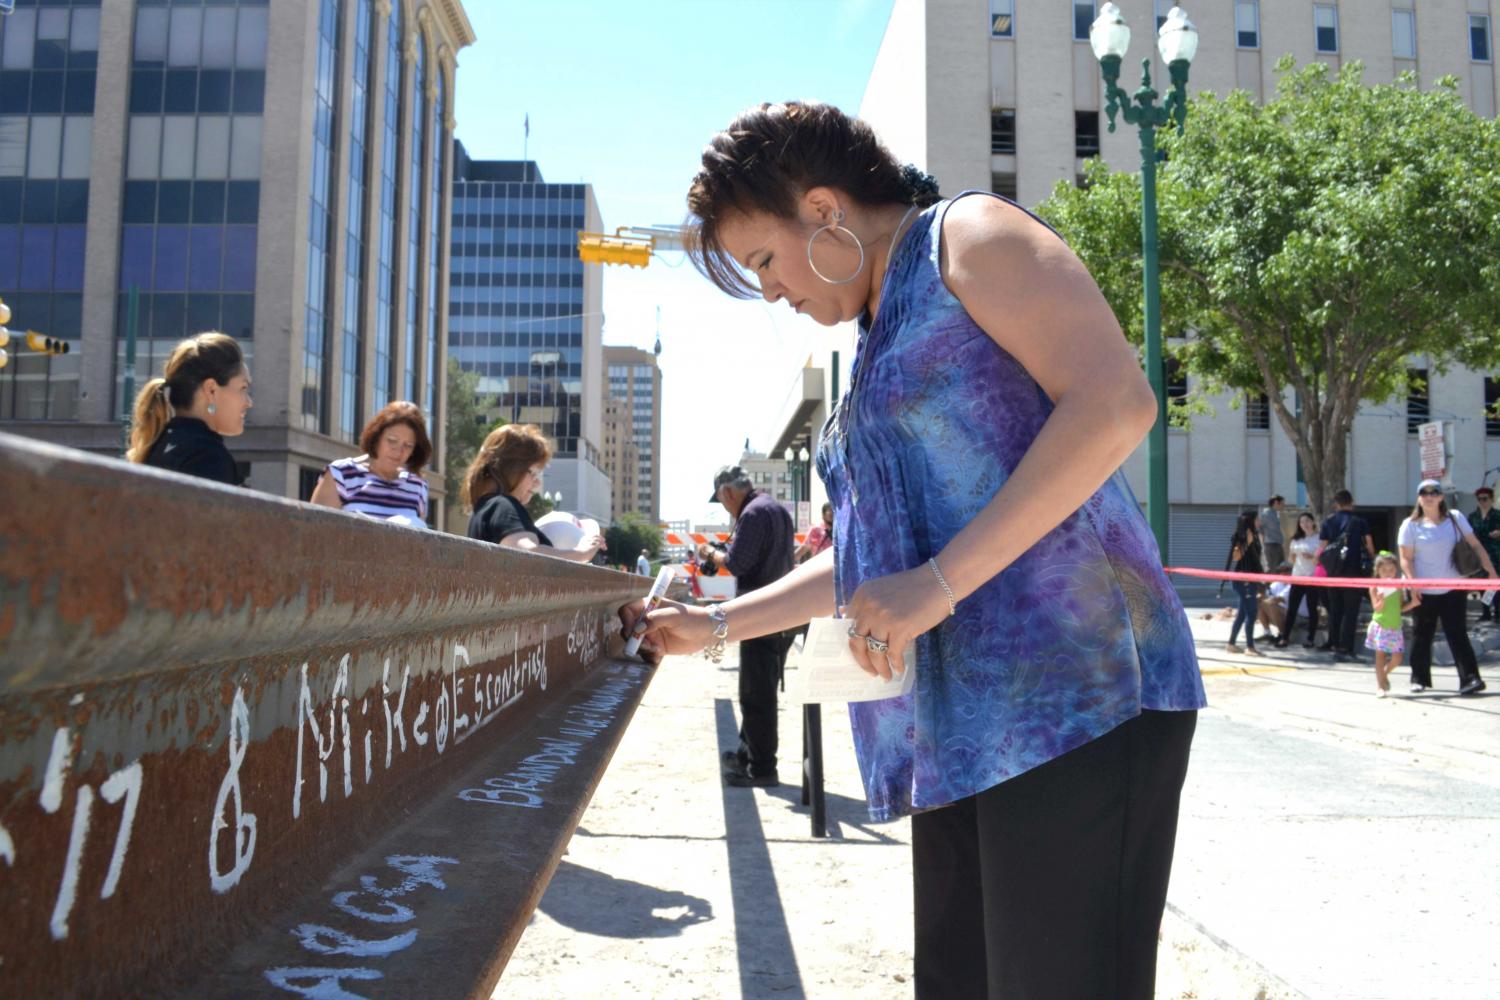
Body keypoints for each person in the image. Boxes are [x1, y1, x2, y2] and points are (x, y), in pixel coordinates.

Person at [628, 101, 1204, 997]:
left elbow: (1117, 403)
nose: (772, 291)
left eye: (765, 262)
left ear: (824, 211)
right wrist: (712, 624)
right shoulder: (879, 326)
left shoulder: (969, 237)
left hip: (1085, 695)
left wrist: (936, 585)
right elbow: (866, 561)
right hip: (965, 721)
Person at [702, 465, 795, 788]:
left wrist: (711, 554)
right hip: (782, 615)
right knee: (761, 689)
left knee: (756, 695)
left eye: (721, 500)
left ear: (728, 491)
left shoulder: (752, 514)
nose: (725, 507)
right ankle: (746, 754)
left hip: (761, 617)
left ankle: (762, 768)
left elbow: (738, 562)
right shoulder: (774, 508)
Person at [1398, 479, 1495, 694]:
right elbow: (1406, 559)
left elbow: (1475, 545)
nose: (1429, 496)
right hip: (1424, 589)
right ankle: (1419, 679)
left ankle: (1470, 679)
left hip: (1454, 587)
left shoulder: (1456, 518)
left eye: (1434, 492)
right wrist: (1413, 584)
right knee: (1422, 635)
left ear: (1442, 496)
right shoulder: (1410, 525)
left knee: (1457, 633)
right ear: (1419, 498)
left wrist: (1492, 573)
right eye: (1424, 492)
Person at [463, 424, 604, 563]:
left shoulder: (485, 508)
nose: (537, 484)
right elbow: (529, 556)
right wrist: (581, 552)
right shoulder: (503, 506)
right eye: (534, 473)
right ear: (512, 469)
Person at [125, 331, 251, 485]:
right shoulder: (208, 458)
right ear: (211, 390)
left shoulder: (158, 445)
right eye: (243, 388)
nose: (249, 402)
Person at [309, 401, 431, 527]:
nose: (399, 451)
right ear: (376, 436)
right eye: (392, 441)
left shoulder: (418, 486)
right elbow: (313, 530)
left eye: (408, 445)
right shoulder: (341, 475)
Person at [1318, 490, 1376, 660]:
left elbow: (1322, 547)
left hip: (1334, 572)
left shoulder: (1328, 522)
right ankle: (1346, 647)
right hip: (1354, 572)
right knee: (1351, 611)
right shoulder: (1359, 522)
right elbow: (1370, 546)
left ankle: (1333, 642)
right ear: (1352, 502)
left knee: (1335, 609)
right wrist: (1372, 560)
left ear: (1336, 503)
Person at [1366, 552, 1420, 698]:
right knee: (1380, 657)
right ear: (1378, 571)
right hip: (1381, 625)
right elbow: (1376, 608)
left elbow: (1400, 607)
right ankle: (1380, 686)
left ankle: (1383, 674)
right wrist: (1381, 601)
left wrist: (1412, 604)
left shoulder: (1398, 586)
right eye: (1384, 571)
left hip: (1395, 626)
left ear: (1396, 569)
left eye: (1391, 570)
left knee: (1398, 658)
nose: (1388, 573)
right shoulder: (1375, 586)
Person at [1277, 512, 1324, 648]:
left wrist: (1311, 557)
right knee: (1292, 607)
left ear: (1313, 521)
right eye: (1302, 522)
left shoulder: (1319, 538)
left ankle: (1310, 639)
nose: (1305, 524)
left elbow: (1322, 560)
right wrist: (1292, 557)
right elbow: (1291, 559)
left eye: (1307, 521)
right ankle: (1285, 637)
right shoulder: (1296, 540)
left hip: (1312, 577)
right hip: (1297, 576)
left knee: (1312, 608)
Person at [1224, 510, 1265, 655]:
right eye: (1257, 518)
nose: (1259, 520)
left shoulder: (1255, 535)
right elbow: (1235, 557)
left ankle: (1231, 644)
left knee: (1242, 613)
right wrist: (1246, 543)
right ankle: (1250, 647)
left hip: (1251, 578)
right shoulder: (1241, 537)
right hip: (1244, 579)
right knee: (1252, 612)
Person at [1469, 486, 1500, 621]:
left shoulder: (1497, 515)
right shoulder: (1473, 516)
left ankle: (1498, 612)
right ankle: (1486, 612)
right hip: (1478, 556)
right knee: (1482, 584)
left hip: (1495, 554)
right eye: (1479, 499)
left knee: (1495, 585)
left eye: (1485, 498)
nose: (1482, 501)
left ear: (1491, 499)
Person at [1260, 494, 1287, 571]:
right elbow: (1259, 527)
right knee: (1274, 569)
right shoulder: (1266, 514)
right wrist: (1263, 541)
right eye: (1282, 503)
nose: (1284, 505)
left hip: (1277, 545)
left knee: (1280, 568)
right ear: (1276, 502)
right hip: (1271, 546)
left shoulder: (1275, 514)